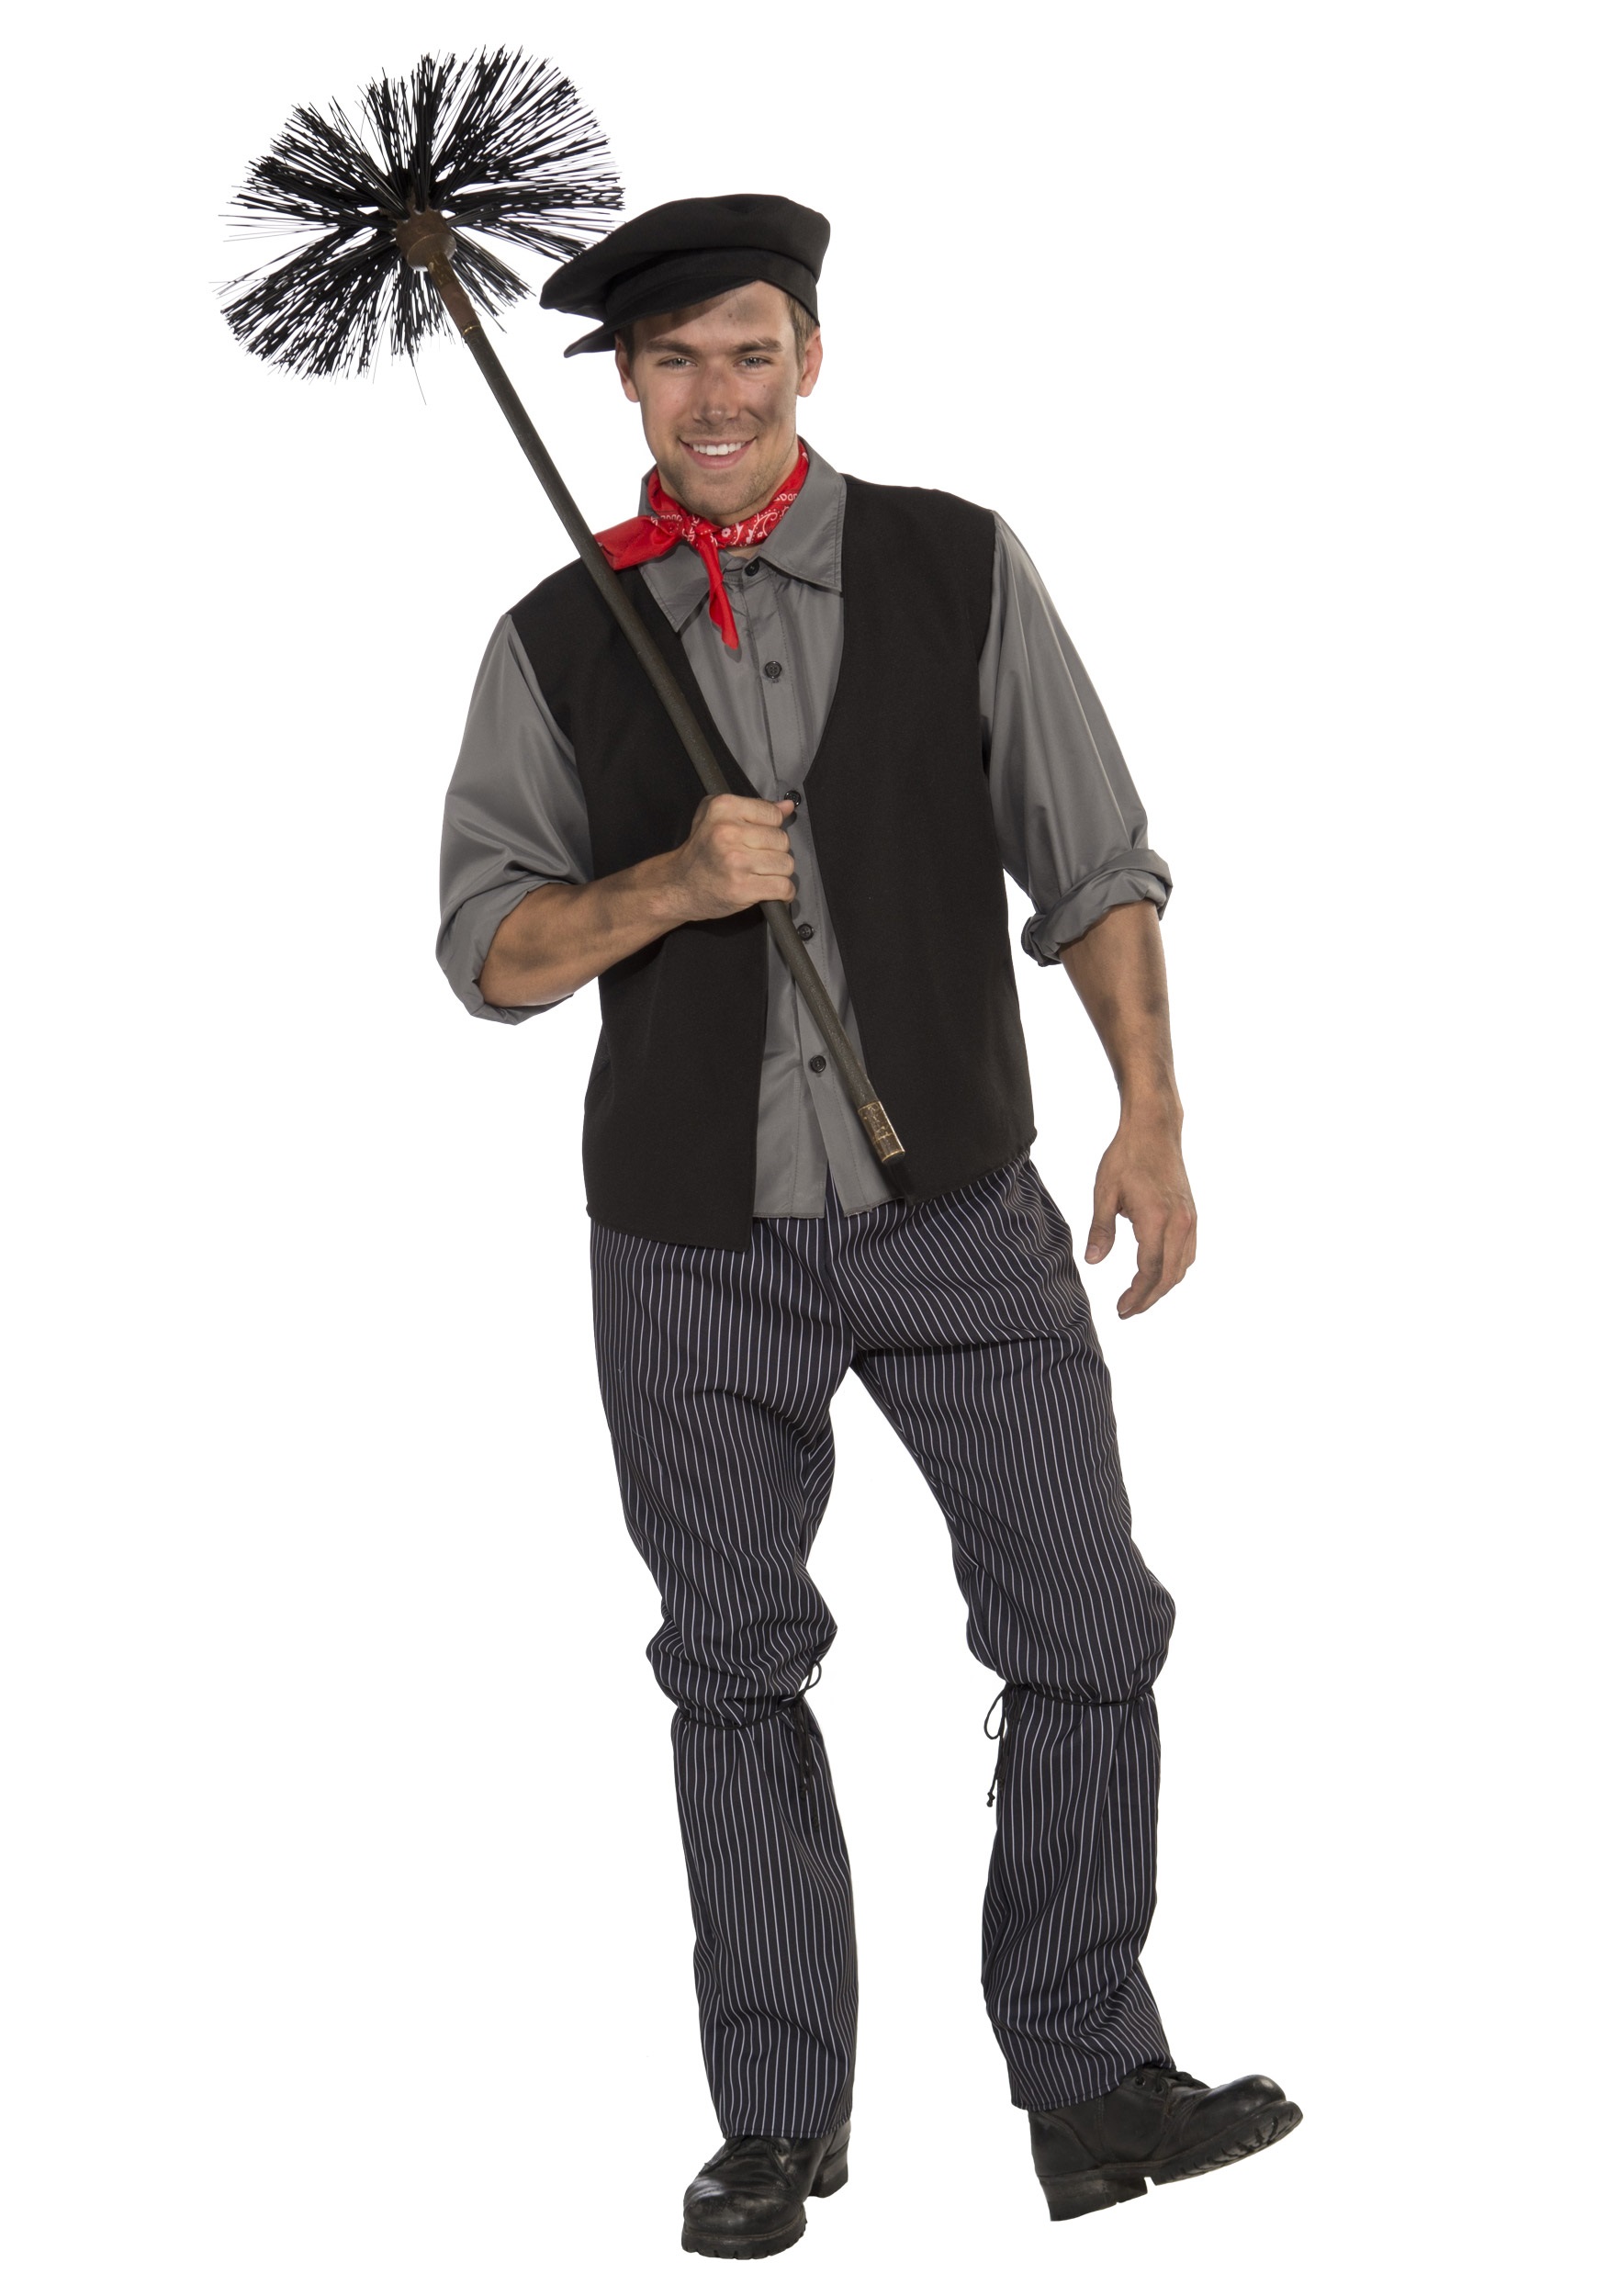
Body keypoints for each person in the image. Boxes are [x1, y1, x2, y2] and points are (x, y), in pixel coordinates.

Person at [436, 193, 1300, 2261]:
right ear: (626, 387)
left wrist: (1150, 1114)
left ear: (808, 356)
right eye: (671, 361)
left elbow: (1091, 859)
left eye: (750, 349)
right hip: (686, 1242)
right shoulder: (555, 637)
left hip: (955, 1210)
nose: (715, 394)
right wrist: (668, 886)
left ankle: (1087, 2077)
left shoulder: (953, 564)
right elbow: (487, 951)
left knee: (1084, 1625)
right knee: (730, 1669)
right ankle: (775, 2119)